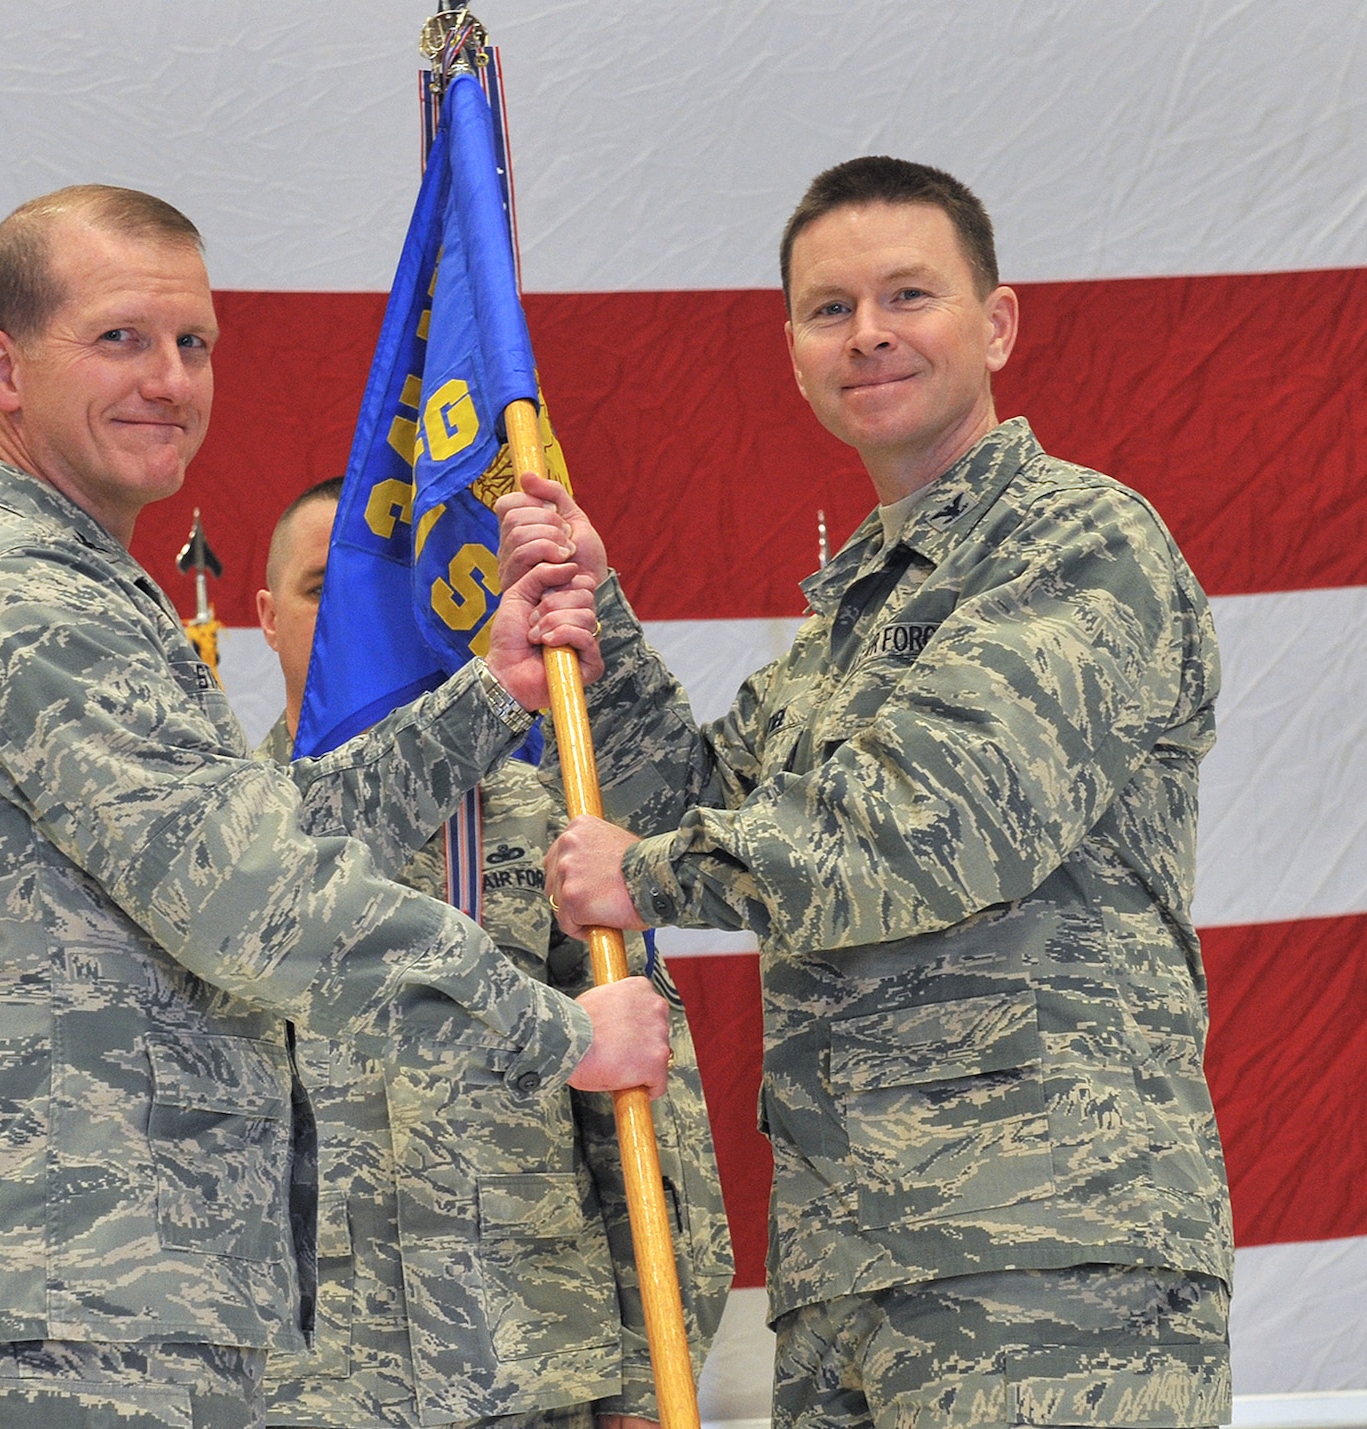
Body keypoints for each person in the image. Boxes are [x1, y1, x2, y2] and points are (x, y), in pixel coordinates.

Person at [0, 184, 673, 1429]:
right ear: (2, 369)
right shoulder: (15, 599)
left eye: (193, 343)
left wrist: (482, 698)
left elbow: (260, 836)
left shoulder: (79, 584)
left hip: (131, 1306)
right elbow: (255, 898)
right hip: (55, 1318)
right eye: (119, 338)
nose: (168, 379)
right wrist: (559, 1036)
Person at [501, 157, 1233, 1429]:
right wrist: (596, 622)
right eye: (828, 308)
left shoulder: (1075, 546)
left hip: (1042, 1267)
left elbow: (928, 827)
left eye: (909, 295)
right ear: (790, 347)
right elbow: (707, 794)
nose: (869, 334)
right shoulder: (860, 611)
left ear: (995, 323)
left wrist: (653, 872)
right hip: (855, 1271)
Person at [251, 479, 735, 1429]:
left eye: (383, 585)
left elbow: (648, 1128)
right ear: (264, 618)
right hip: (305, 1388)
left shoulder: (551, 824)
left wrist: (646, 1382)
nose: (357, 610)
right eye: (322, 586)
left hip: (532, 1368)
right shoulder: (227, 845)